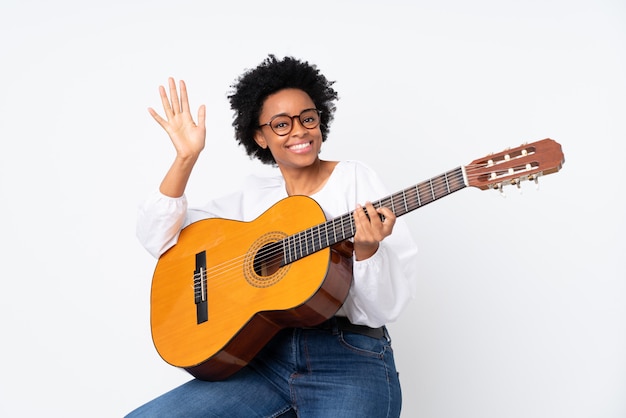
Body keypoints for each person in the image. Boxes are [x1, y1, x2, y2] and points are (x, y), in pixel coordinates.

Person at [127, 55, 419, 417]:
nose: (299, 131)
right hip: (264, 358)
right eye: (281, 124)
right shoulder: (254, 197)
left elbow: (381, 310)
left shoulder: (355, 180)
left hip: (349, 361)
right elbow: (159, 238)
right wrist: (185, 158)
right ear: (260, 137)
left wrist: (367, 250)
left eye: (308, 118)